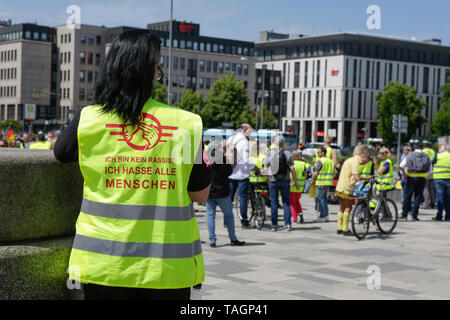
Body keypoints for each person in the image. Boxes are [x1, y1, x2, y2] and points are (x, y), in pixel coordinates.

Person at [54, 30, 211, 300]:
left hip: (103, 265)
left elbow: (61, 153)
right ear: (151, 73)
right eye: (157, 66)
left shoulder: (88, 119)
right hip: (166, 269)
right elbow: (200, 194)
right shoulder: (186, 124)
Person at [206, 141, 245, 247]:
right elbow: (229, 172)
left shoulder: (206, 160)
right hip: (222, 191)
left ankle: (212, 240)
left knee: (210, 215)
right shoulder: (223, 159)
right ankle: (233, 238)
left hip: (209, 191)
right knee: (229, 216)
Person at [335, 145, 373, 236]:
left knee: (342, 208)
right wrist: (367, 178)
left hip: (340, 187)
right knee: (349, 207)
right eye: (366, 161)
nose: (365, 163)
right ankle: (345, 229)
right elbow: (356, 176)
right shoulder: (355, 162)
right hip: (346, 188)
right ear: (363, 156)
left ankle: (339, 228)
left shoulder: (349, 159)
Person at [264, 135, 299, 232]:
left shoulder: (270, 153)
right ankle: (288, 224)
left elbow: (265, 166)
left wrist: (268, 178)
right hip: (285, 180)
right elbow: (292, 169)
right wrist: (296, 183)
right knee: (286, 202)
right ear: (283, 143)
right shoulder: (288, 153)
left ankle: (274, 225)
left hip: (273, 180)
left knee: (274, 203)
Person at [228, 123, 253, 229]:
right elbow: (246, 160)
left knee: (229, 198)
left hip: (230, 173)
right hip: (242, 174)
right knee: (243, 198)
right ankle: (244, 221)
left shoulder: (231, 138)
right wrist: (254, 166)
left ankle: (227, 220)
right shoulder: (244, 141)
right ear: (245, 130)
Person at [399, 142, 432, 221]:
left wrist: (405, 174)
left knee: (407, 197)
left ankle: (404, 215)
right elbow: (430, 170)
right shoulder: (426, 156)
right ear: (423, 147)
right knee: (418, 197)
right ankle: (414, 216)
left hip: (411, 177)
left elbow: (401, 166)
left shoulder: (410, 155)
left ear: (414, 147)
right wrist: (422, 172)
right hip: (421, 179)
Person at [311, 146, 334, 222]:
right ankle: (326, 216)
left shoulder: (321, 161)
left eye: (318, 152)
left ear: (323, 153)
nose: (317, 154)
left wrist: (313, 181)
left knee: (321, 200)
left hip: (321, 183)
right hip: (328, 183)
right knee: (324, 199)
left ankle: (322, 216)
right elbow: (334, 172)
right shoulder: (330, 161)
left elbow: (315, 173)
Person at [432, 139, 450, 221]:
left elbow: (432, 164)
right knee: (448, 198)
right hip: (448, 179)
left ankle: (439, 215)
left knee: (440, 198)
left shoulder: (438, 155)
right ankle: (448, 215)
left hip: (439, 179)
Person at [290, 150, 307, 224]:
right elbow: (305, 175)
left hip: (293, 186)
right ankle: (301, 215)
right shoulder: (303, 164)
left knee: (292, 203)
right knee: (297, 201)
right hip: (300, 186)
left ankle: (294, 219)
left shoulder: (292, 164)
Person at [422, 142, 436, 209]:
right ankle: (433, 202)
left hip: (426, 171)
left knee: (425, 187)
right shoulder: (432, 151)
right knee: (431, 188)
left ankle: (426, 203)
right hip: (432, 170)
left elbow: (423, 161)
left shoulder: (423, 151)